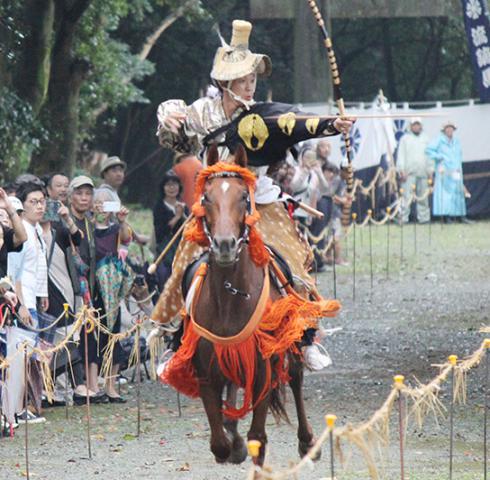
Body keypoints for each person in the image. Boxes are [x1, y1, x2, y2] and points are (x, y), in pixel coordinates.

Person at [151, 19, 353, 369]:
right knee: (183, 261)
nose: (249, 86)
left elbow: (299, 122)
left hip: (259, 200)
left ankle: (304, 339)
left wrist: (332, 125)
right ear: (225, 83)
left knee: (294, 258)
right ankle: (177, 337)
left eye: (253, 79)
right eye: (243, 80)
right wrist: (166, 116)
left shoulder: (264, 115)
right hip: (214, 203)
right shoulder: (202, 112)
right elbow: (175, 138)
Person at [7, 181, 49, 423]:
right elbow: (17, 272)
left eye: (42, 201)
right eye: (33, 202)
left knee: (29, 356)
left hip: (34, 296)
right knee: (19, 357)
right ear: (22, 205)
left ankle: (22, 406)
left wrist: (42, 295)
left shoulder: (37, 230)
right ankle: (15, 409)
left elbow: (38, 268)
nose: (39, 206)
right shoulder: (21, 229)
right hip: (23, 300)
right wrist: (22, 304)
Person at [92, 189, 133, 402]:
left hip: (114, 290)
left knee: (114, 336)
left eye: (106, 203)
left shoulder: (115, 228)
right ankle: (95, 383)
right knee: (95, 336)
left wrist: (122, 220)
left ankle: (111, 384)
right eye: (97, 202)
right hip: (94, 289)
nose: (101, 207)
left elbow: (127, 240)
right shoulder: (88, 229)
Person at [426, 121, 470, 223]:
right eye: (447, 128)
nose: (449, 130)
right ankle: (445, 216)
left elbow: (459, 154)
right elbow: (428, 150)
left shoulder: (456, 141)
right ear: (444, 130)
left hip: (455, 169)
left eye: (451, 128)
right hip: (444, 170)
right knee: (444, 193)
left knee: (457, 192)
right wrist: (439, 157)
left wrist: (459, 165)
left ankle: (460, 216)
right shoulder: (439, 140)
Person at [153, 172, 188, 291]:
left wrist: (182, 215)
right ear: (163, 188)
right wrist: (176, 217)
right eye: (168, 185)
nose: (171, 188)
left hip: (181, 250)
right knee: (164, 278)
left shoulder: (183, 206)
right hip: (165, 250)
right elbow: (160, 232)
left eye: (174, 184)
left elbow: (189, 228)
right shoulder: (159, 207)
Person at [396, 118, 432, 224]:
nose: (416, 127)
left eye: (418, 124)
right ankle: (403, 218)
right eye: (414, 125)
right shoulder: (405, 139)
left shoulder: (426, 139)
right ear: (410, 126)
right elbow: (401, 155)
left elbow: (429, 156)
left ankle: (424, 218)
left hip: (423, 173)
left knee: (423, 197)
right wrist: (401, 170)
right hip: (409, 173)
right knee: (406, 196)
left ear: (421, 126)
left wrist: (430, 171)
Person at [322, 163, 350, 266]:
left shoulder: (343, 182)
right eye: (347, 171)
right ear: (342, 170)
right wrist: (342, 200)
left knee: (332, 235)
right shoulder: (337, 180)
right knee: (335, 235)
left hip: (336, 212)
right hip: (332, 212)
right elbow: (330, 193)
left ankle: (329, 256)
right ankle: (337, 258)